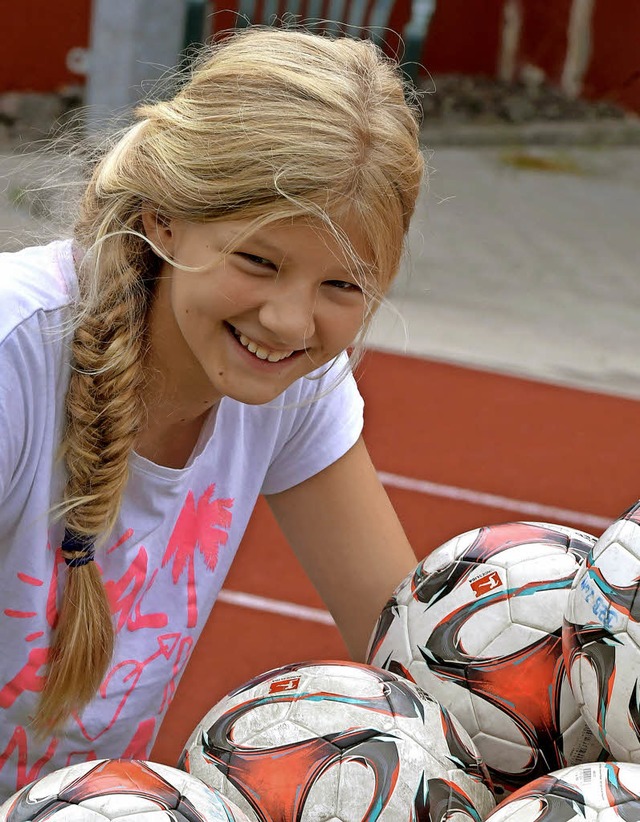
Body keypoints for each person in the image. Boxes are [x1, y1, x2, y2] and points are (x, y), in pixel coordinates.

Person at [0, 25, 424, 799]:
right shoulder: (12, 356)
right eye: (258, 262)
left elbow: (420, 655)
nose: (291, 323)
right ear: (164, 219)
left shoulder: (298, 389)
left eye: (343, 287)